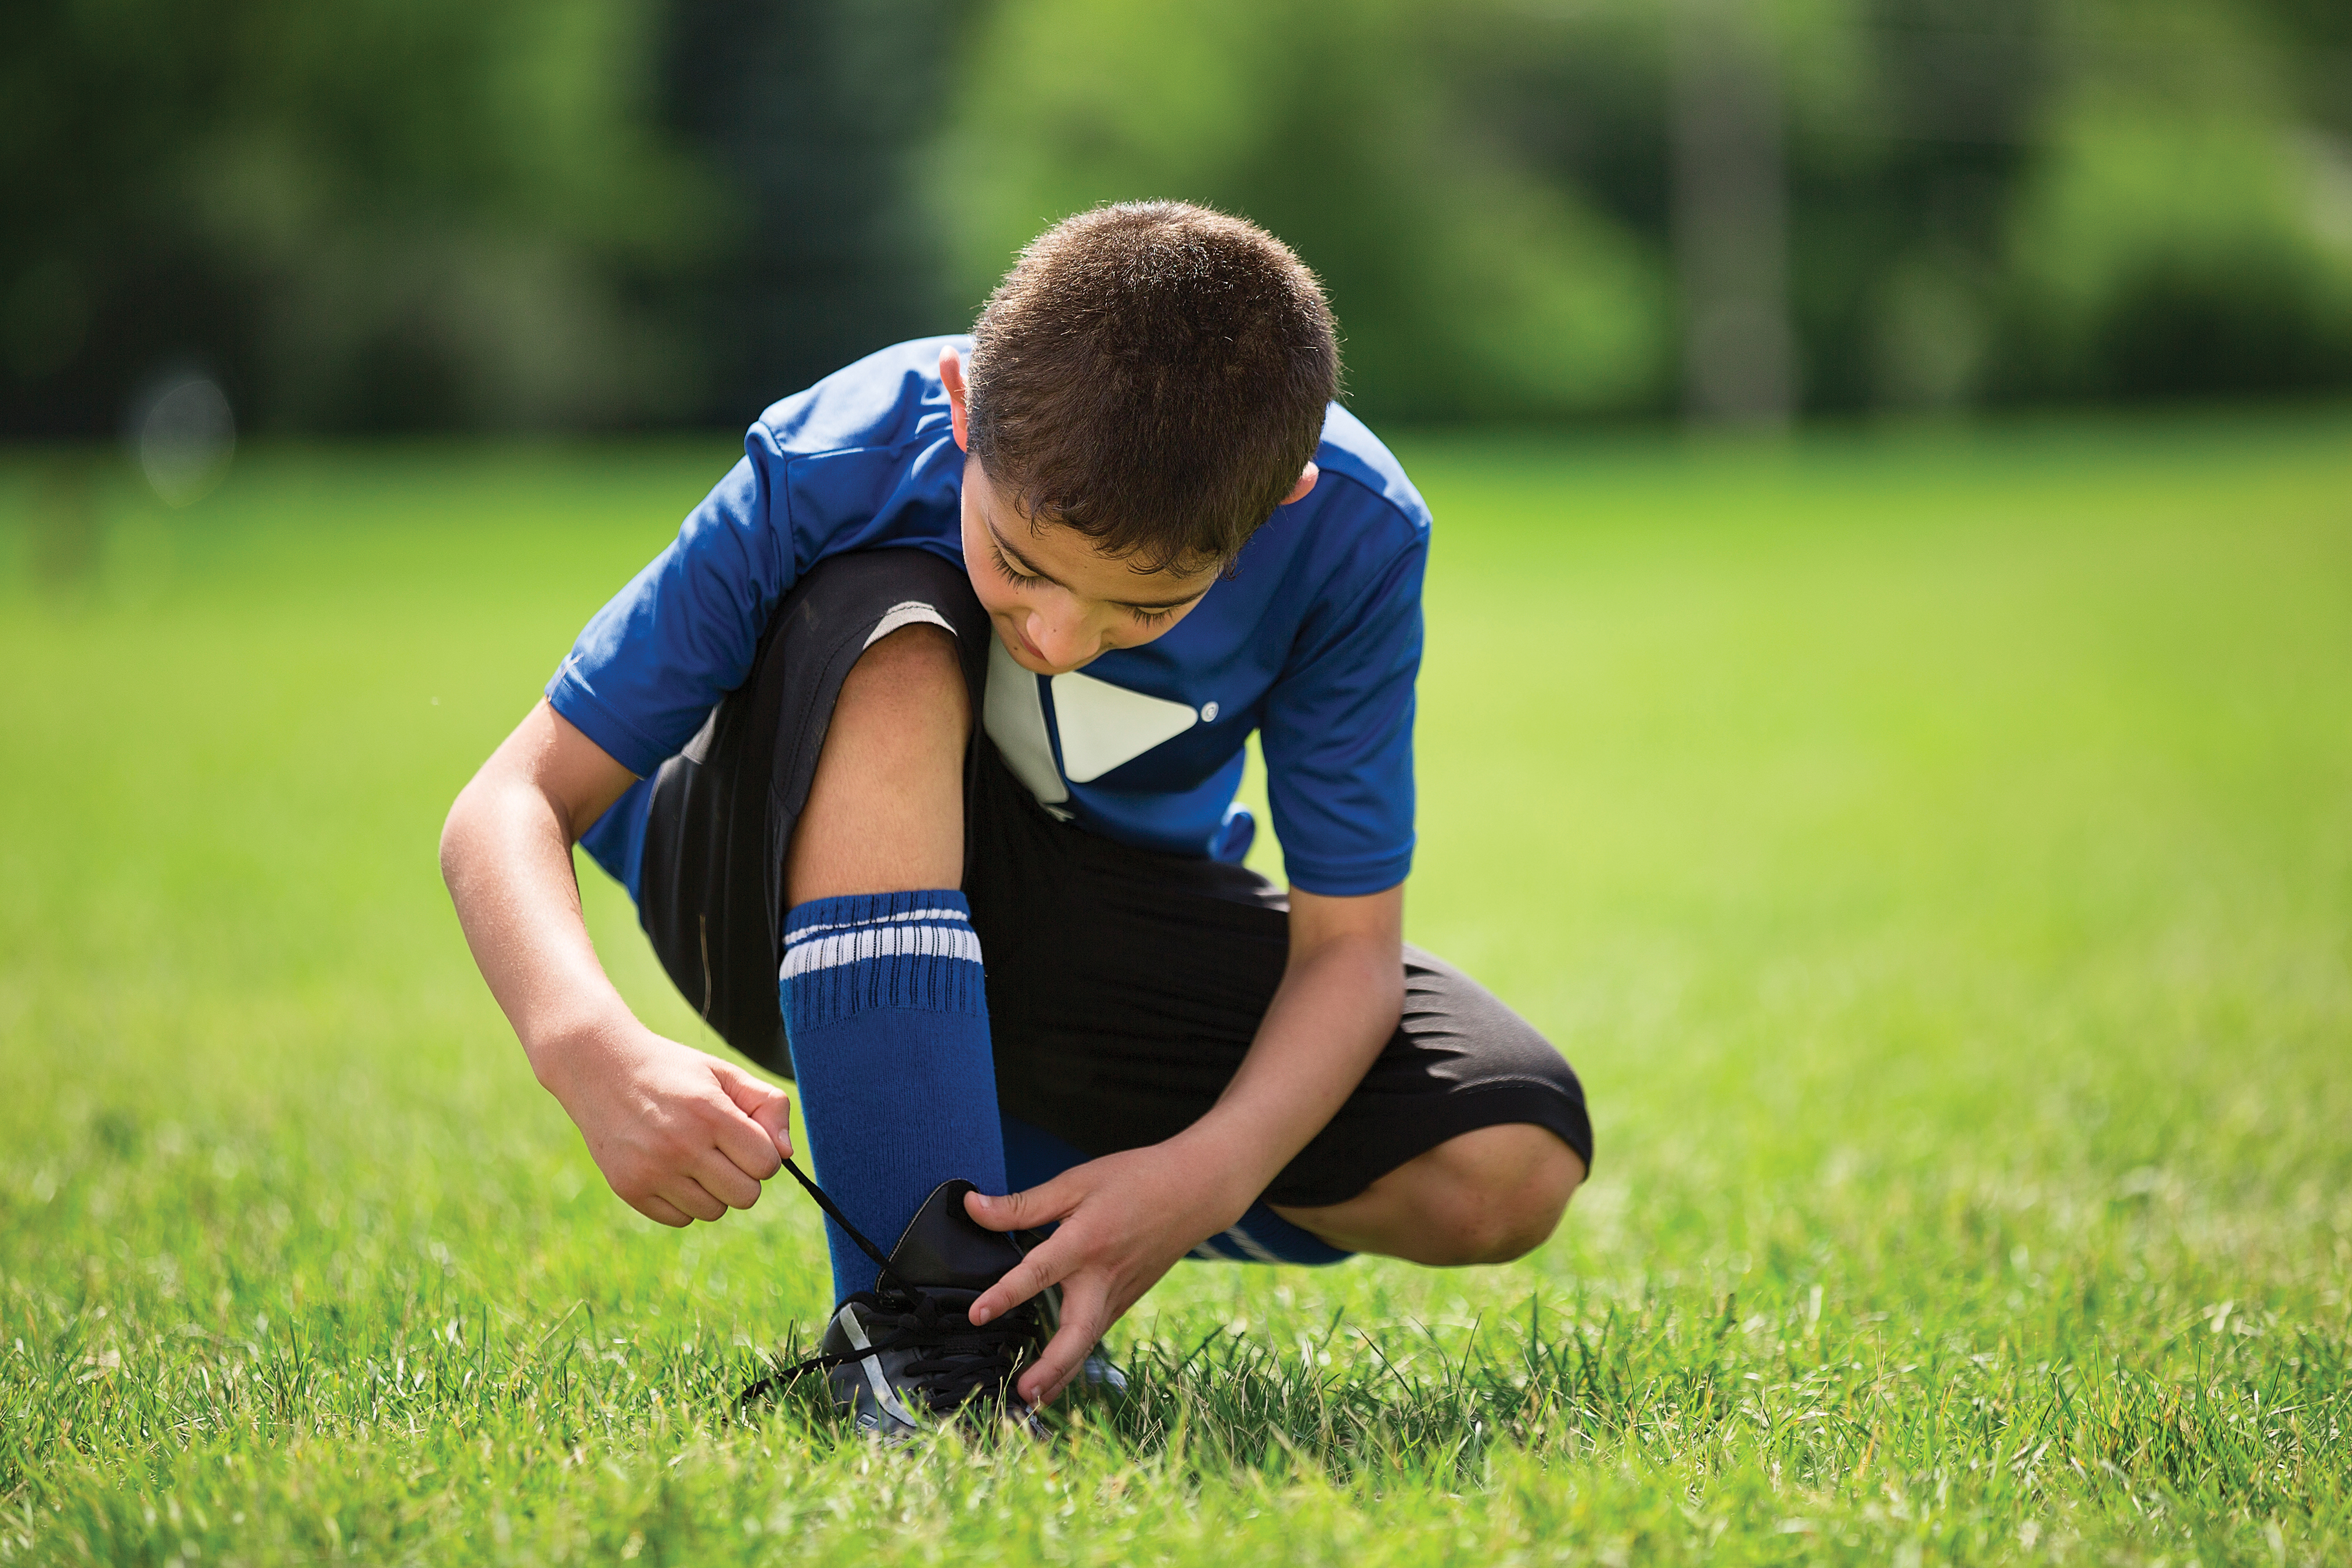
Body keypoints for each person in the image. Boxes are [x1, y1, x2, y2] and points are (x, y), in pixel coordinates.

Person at [440, 200, 1592, 1438]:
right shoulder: (840, 454)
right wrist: (588, 1048)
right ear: (962, 406)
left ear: (1283, 502)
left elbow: (1347, 953)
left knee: (1506, 1156)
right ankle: (921, 1346)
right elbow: (510, 801)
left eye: (1141, 608)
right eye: (1022, 563)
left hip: (1083, 924)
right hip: (754, 886)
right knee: (896, 628)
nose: (1055, 637)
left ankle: (988, 1221)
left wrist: (1199, 1180)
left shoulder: (1356, 531)